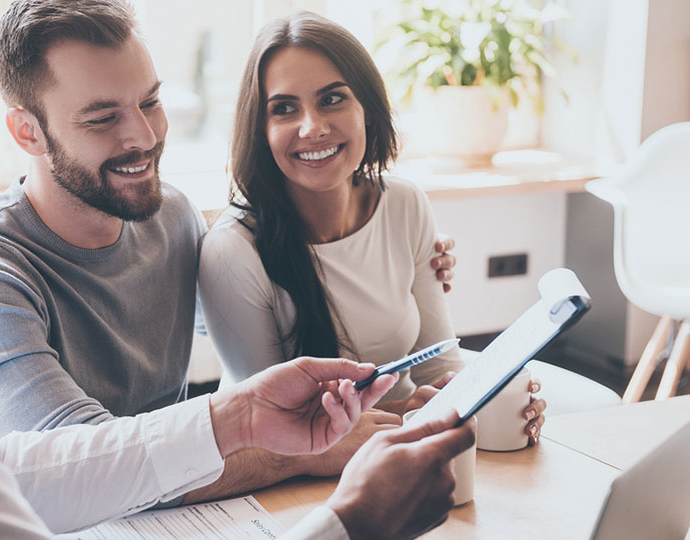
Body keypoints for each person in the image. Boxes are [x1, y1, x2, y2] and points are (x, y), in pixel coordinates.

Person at [0, 0, 477, 538]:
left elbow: (25, 471)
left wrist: (239, 417)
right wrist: (351, 523)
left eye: (150, 103)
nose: (143, 135)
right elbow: (36, 483)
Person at [0, 0, 459, 503]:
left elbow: (244, 302)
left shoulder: (169, 217)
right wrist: (298, 451)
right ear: (26, 132)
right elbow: (81, 468)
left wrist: (404, 262)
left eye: (151, 101)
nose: (145, 136)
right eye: (102, 118)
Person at [198, 12, 546, 441]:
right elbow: (276, 429)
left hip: (402, 447)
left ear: (367, 108)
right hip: (286, 476)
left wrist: (488, 399)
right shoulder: (232, 251)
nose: (313, 127)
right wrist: (409, 413)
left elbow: (439, 365)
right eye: (284, 109)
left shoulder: (404, 204)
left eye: (332, 99)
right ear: (260, 129)